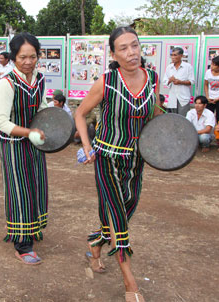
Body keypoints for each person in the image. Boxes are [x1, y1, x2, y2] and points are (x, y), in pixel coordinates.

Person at [75, 26, 162, 302]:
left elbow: (155, 112)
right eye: (123, 48)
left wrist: (172, 138)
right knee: (118, 219)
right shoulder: (106, 81)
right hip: (108, 157)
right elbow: (80, 113)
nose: (131, 52)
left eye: (134, 45)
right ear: (113, 53)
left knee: (127, 208)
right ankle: (130, 284)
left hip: (138, 160)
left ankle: (96, 241)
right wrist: (87, 147)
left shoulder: (153, 79)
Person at [0, 33, 49, 265]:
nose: (28, 62)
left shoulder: (39, 79)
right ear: (14, 57)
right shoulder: (7, 83)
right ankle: (22, 244)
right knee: (20, 191)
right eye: (22, 57)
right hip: (14, 145)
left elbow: (43, 108)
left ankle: (32, 230)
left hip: (35, 144)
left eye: (33, 56)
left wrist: (55, 125)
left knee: (36, 187)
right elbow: (2, 122)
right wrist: (29, 132)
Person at [162, 47, 195, 116]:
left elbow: (192, 81)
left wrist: (181, 82)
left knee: (183, 119)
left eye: (175, 55)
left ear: (181, 56)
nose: (173, 57)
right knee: (172, 118)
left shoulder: (188, 67)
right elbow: (164, 81)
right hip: (172, 97)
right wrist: (170, 80)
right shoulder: (169, 67)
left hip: (183, 98)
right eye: (172, 55)